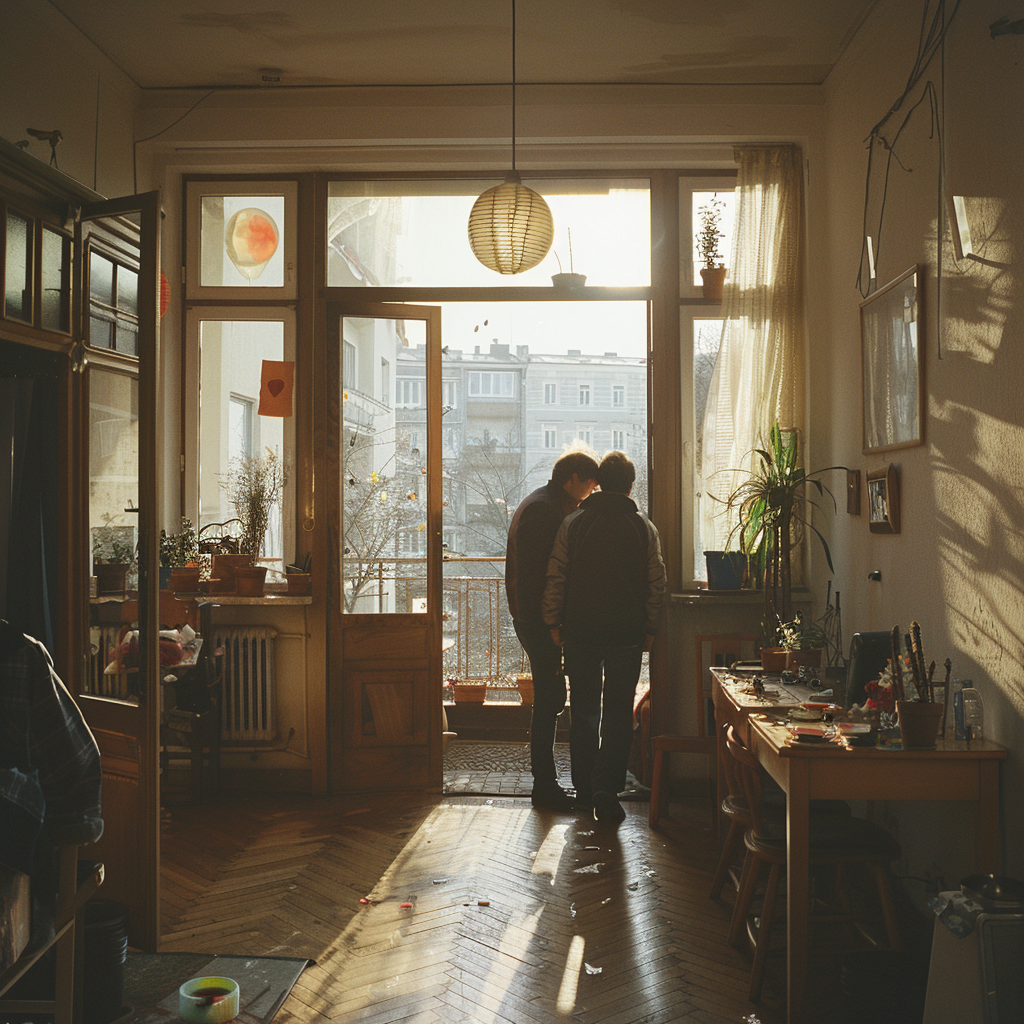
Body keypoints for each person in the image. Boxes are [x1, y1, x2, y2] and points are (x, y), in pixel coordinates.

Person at [542, 451, 666, 824]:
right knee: (616, 713)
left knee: (583, 712)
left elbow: (556, 575)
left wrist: (552, 621)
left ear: (599, 482)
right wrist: (650, 629)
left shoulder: (574, 522)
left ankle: (583, 790)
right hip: (626, 633)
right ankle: (606, 789)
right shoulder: (643, 527)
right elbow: (656, 585)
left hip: (580, 631)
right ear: (630, 485)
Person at [505, 449, 599, 811]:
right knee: (548, 700)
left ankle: (546, 782)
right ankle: (543, 785)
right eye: (589, 484)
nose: (590, 491)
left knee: (550, 698)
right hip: (538, 621)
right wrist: (552, 624)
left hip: (534, 619)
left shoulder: (542, 503)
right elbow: (536, 576)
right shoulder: (545, 511)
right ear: (573, 479)